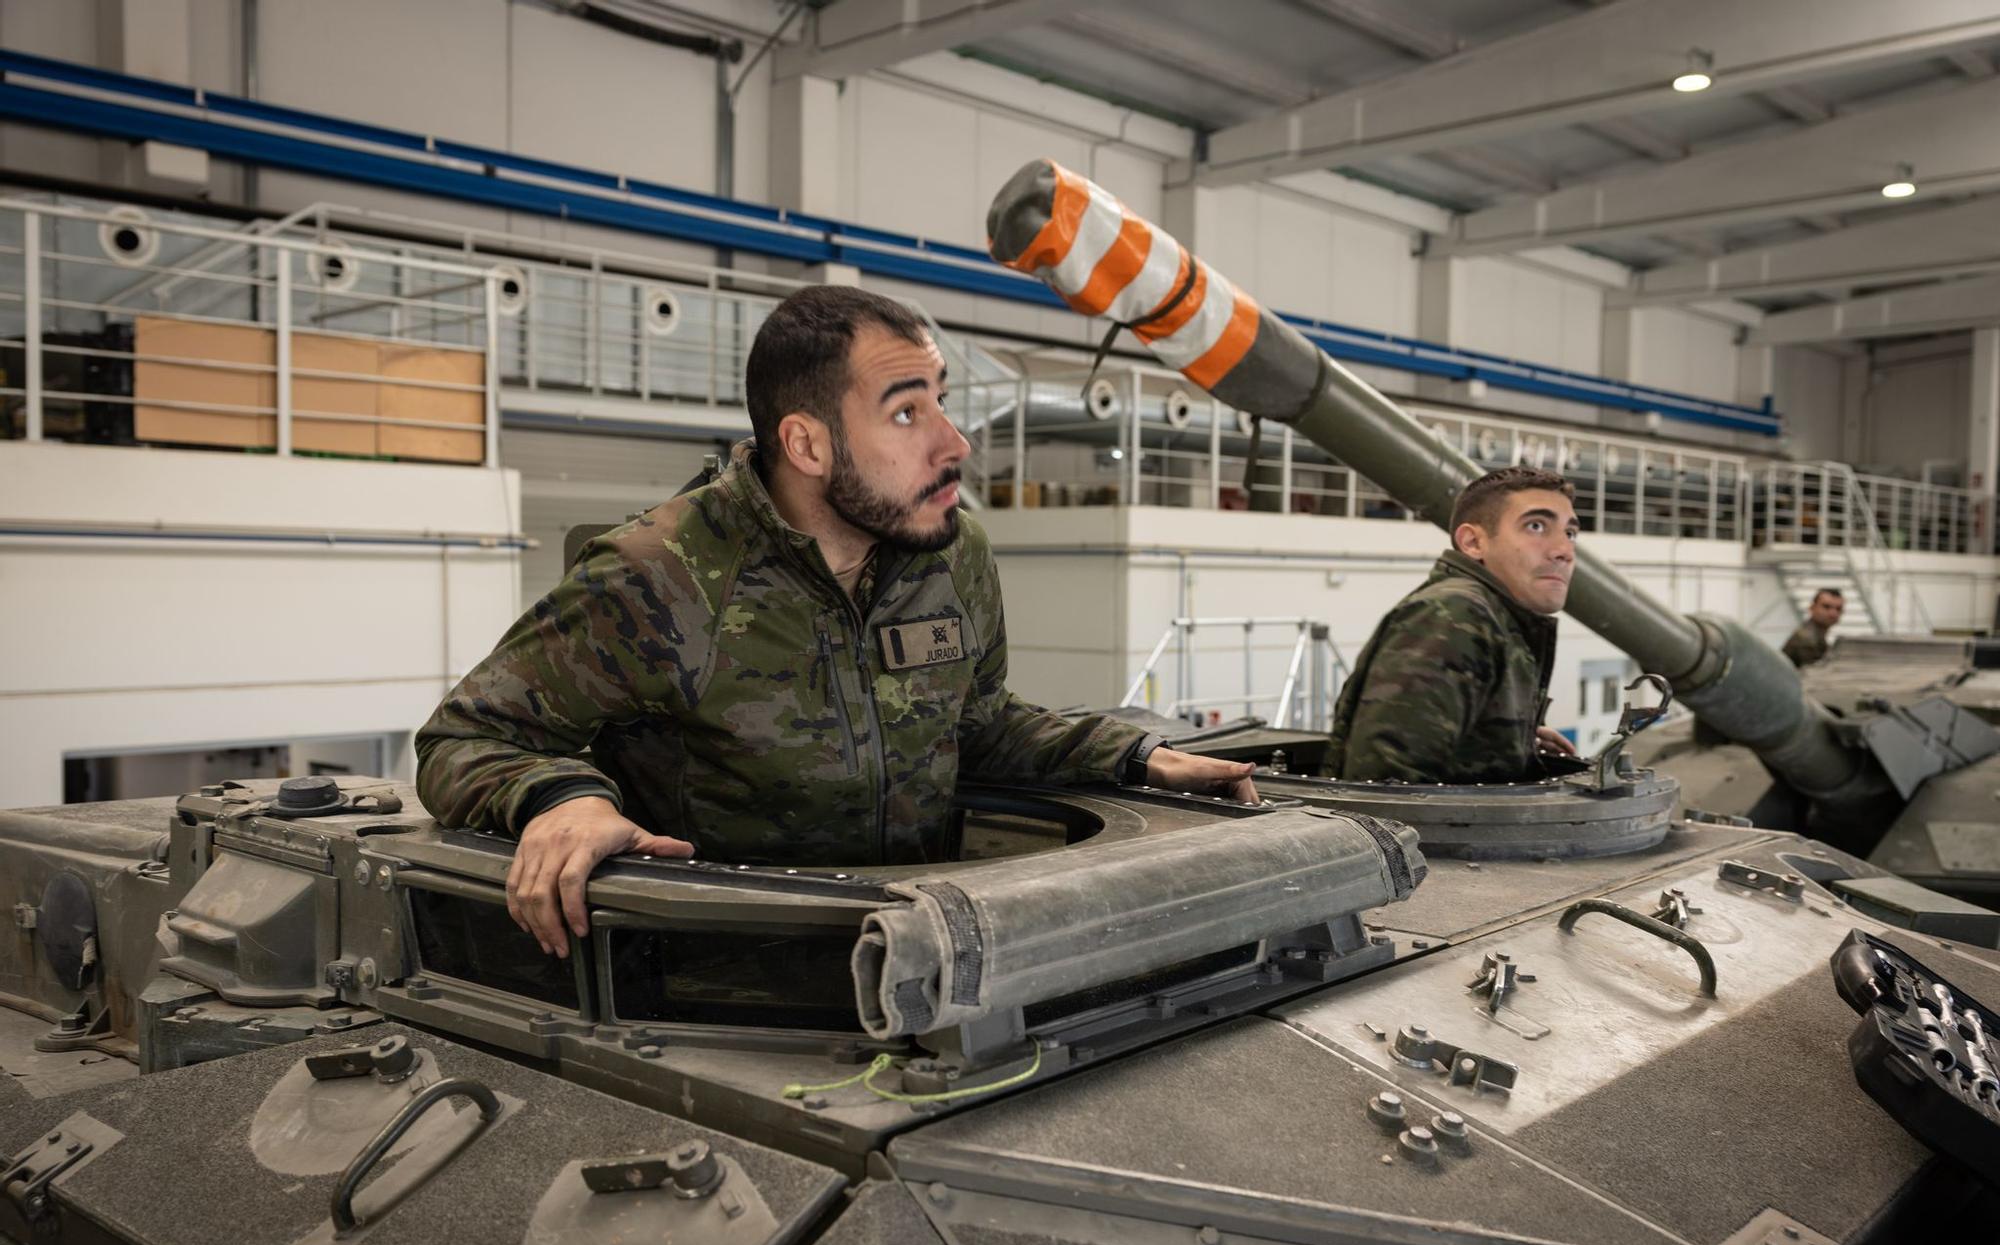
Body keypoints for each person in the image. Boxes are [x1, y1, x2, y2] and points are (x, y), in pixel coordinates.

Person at [416, 285, 1255, 957]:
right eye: (905, 413)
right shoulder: (659, 574)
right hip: (726, 993)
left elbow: (976, 726)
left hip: (928, 954)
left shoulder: (950, 557)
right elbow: (464, 736)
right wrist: (562, 801)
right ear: (808, 446)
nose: (954, 441)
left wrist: (1138, 757)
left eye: (942, 403)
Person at [1323, 466, 1581, 784]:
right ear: (1473, 542)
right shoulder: (1457, 614)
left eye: (1570, 533)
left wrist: (1511, 736)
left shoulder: (1496, 617)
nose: (1563, 551)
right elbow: (1389, 786)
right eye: (1536, 526)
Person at [1781, 588, 1842, 668]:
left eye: (1838, 609)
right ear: (1812, 608)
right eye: (1826, 607)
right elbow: (1813, 675)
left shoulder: (1816, 636)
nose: (1833, 613)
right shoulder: (1806, 639)